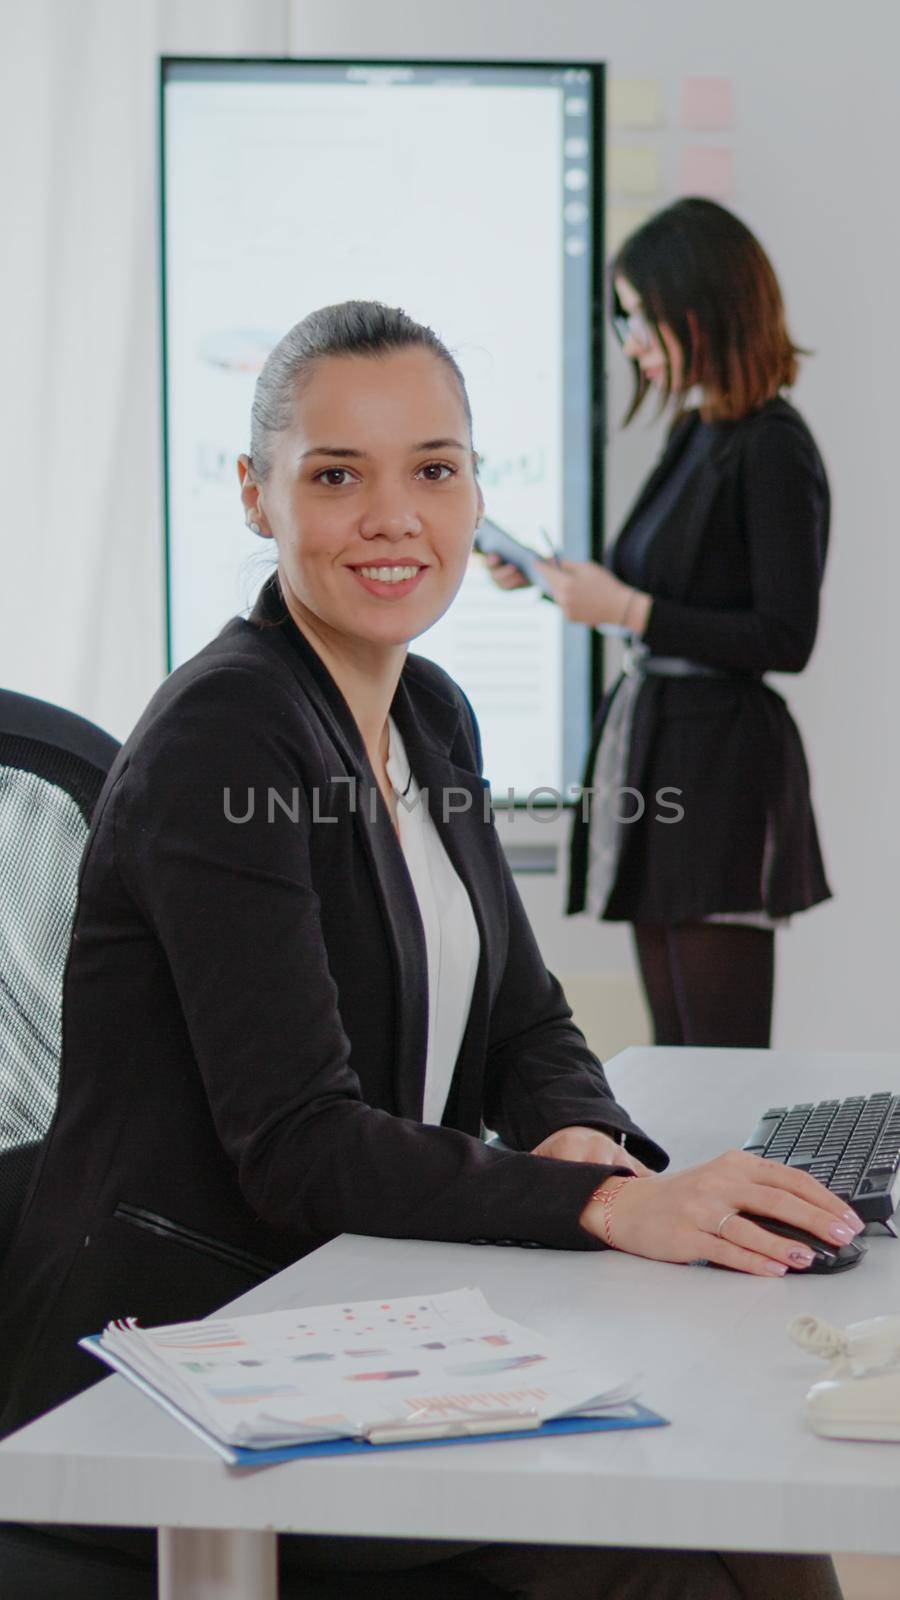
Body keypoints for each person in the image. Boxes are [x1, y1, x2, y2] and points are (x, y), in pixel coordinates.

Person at [0, 301, 848, 1599]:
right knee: (661, 1554)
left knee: (752, 1511)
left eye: (435, 470)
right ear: (254, 494)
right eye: (338, 475)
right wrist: (616, 1208)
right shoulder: (228, 735)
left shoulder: (429, 714)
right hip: (184, 1355)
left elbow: (524, 1018)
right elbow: (298, 1140)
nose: (396, 517)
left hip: (342, 1307)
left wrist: (578, 1135)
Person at [487, 199, 831, 1049]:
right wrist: (550, 585)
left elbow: (785, 638)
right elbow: (655, 598)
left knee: (720, 1058)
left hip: (721, 773)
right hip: (665, 756)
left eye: (639, 317)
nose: (629, 340)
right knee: (679, 1054)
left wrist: (628, 608)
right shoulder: (697, 434)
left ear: (700, 308)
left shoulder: (773, 445)